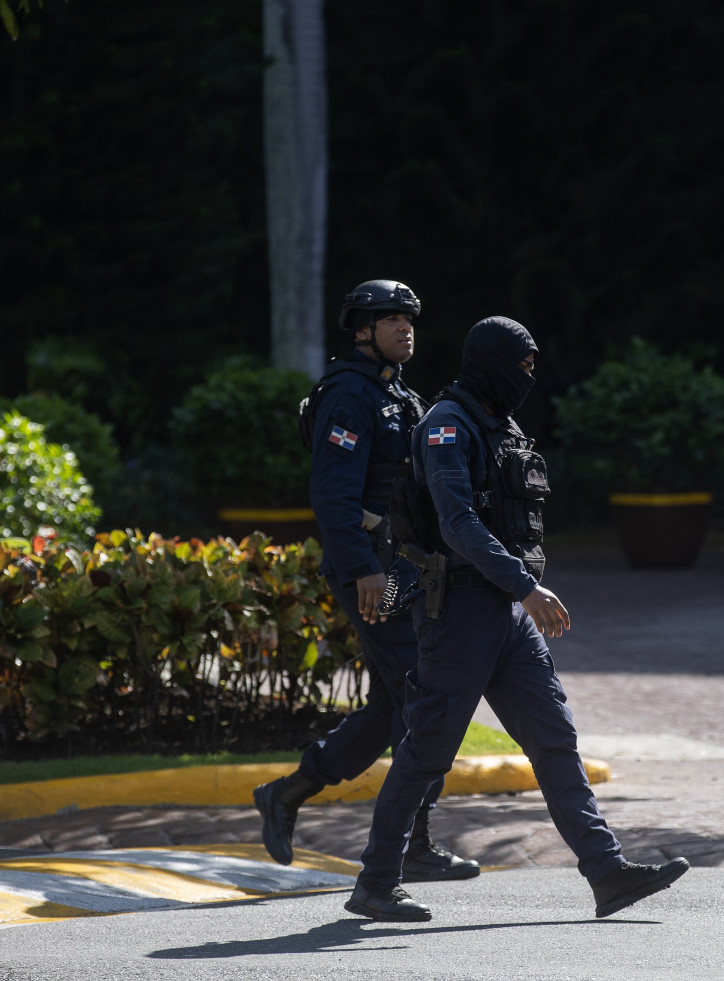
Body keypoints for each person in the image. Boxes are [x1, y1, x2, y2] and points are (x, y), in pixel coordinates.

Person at [344, 315, 690, 922]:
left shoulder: (501, 426)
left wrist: (518, 594)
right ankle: (375, 882)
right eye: (524, 364)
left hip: (503, 612)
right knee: (426, 752)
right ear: (494, 362)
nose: (531, 376)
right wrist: (527, 587)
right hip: (458, 613)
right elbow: (456, 523)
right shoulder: (446, 426)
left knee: (554, 738)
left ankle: (606, 872)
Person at [253, 280, 479, 883]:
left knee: (393, 704)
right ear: (361, 330)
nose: (406, 327)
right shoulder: (349, 396)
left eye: (410, 318)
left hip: (402, 570)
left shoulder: (395, 394)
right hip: (373, 574)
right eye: (391, 319)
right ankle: (414, 846)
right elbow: (333, 495)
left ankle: (289, 792)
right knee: (424, 696)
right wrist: (363, 570)